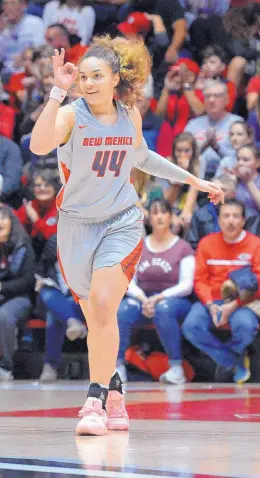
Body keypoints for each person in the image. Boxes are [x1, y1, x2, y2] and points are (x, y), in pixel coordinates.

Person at [30, 35, 223, 437]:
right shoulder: (69, 114)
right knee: (96, 316)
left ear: (116, 77)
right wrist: (56, 92)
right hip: (76, 227)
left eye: (96, 76)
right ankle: (116, 391)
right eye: (83, 76)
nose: (88, 83)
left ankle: (95, 399)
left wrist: (194, 181)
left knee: (103, 303)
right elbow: (38, 145)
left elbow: (142, 157)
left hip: (121, 221)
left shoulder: (128, 114)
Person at [116, 197, 195, 385]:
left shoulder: (183, 248)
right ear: (149, 218)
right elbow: (128, 282)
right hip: (144, 300)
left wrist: (159, 297)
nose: (159, 217)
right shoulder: (138, 246)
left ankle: (176, 368)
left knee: (163, 309)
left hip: (174, 301)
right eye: (155, 213)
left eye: (164, 212)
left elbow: (187, 285)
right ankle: (117, 367)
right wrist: (142, 298)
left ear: (170, 216)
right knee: (123, 309)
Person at [182, 199, 260, 384]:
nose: (230, 221)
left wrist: (233, 306)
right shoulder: (206, 244)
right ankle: (231, 360)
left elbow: (258, 281)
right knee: (191, 326)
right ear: (218, 220)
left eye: (235, 216)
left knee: (245, 326)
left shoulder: (255, 244)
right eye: (226, 216)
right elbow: (200, 280)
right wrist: (210, 305)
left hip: (242, 303)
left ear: (243, 220)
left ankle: (228, 360)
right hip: (211, 301)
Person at [0, 206, 35, 381]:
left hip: (19, 298)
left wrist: (2, 288)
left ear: (12, 222)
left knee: (4, 315)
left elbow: (28, 281)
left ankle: (6, 367)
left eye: (3, 218)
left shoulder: (23, 246)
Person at [187, 174, 260, 250]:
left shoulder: (250, 215)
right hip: (210, 257)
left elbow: (253, 244)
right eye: (213, 189)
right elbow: (194, 244)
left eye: (223, 190)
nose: (217, 193)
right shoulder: (200, 215)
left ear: (233, 194)